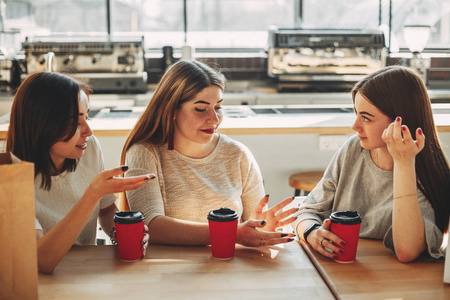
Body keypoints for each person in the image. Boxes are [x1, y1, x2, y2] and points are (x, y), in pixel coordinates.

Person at [121, 60, 297, 247]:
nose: (214, 119)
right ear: (171, 109)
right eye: (200, 109)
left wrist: (262, 231)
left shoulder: (238, 155)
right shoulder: (144, 153)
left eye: (218, 107)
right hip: (167, 271)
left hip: (229, 268)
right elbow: (150, 226)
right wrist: (231, 233)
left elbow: (252, 229)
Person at [296, 66, 450, 262]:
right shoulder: (353, 148)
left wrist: (404, 163)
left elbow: (407, 251)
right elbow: (308, 211)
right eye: (356, 114)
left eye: (366, 118)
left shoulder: (424, 172)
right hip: (344, 272)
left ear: (400, 123)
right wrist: (312, 233)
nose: (355, 126)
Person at [6, 72, 154, 273]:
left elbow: (106, 210)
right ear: (41, 125)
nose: (88, 131)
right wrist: (92, 194)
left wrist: (120, 232)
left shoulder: (88, 148)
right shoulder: (10, 179)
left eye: (87, 116)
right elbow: (42, 261)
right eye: (76, 122)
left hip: (84, 270)